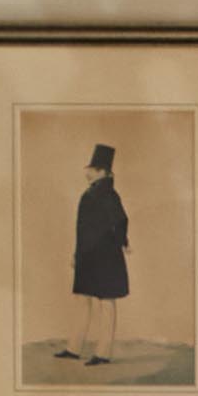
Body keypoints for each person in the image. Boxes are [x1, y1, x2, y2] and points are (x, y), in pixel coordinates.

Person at [68, 137, 133, 359]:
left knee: (106, 301)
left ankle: (103, 353)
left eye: (94, 169)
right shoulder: (92, 193)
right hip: (87, 255)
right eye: (90, 168)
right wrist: (78, 254)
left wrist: (119, 242)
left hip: (104, 257)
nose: (89, 173)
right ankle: (73, 348)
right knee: (83, 299)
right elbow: (83, 230)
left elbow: (122, 220)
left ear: (105, 172)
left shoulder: (108, 194)